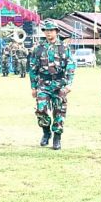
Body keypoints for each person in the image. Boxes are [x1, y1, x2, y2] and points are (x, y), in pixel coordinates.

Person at [29, 19, 76, 149]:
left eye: (51, 30)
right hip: (43, 83)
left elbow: (70, 66)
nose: (49, 33)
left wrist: (69, 84)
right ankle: (46, 132)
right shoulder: (38, 48)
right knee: (41, 109)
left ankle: (57, 136)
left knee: (59, 110)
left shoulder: (64, 47)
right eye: (46, 30)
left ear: (56, 31)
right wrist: (33, 87)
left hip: (60, 83)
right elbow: (33, 68)